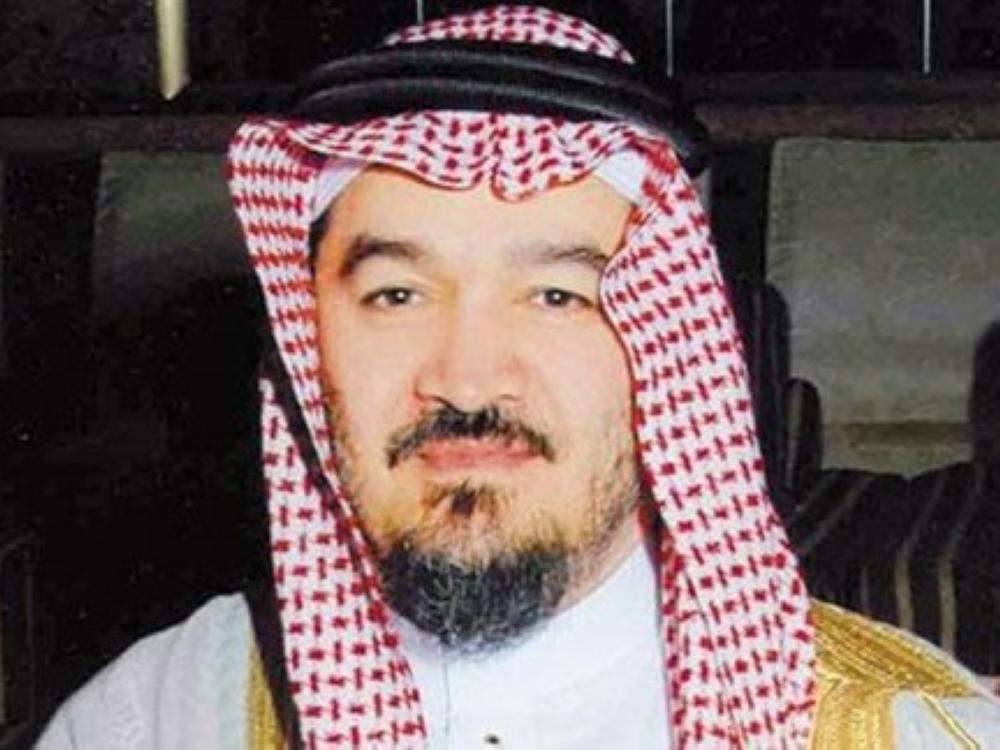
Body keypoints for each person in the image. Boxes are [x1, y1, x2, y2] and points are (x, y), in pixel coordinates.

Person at [37, 5, 1000, 748]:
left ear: (668, 350)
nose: (467, 380)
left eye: (556, 296)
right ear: (306, 342)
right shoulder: (155, 720)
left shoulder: (909, 730)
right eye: (396, 295)